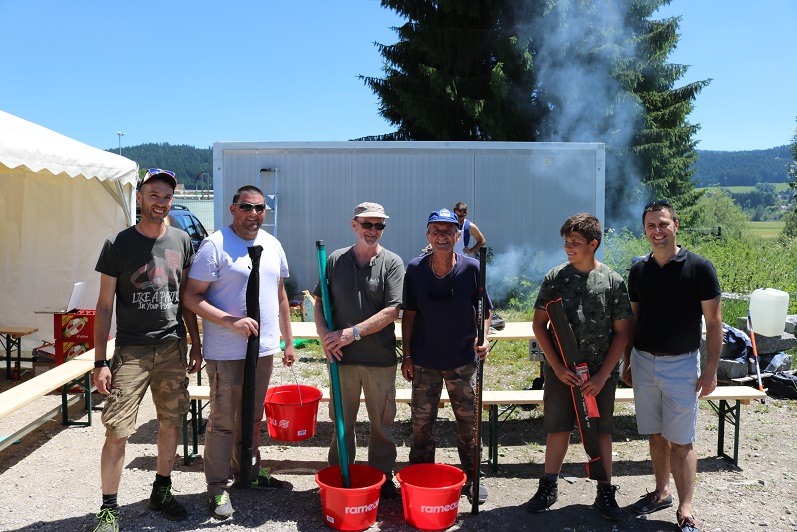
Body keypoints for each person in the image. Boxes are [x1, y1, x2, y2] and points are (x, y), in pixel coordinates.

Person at [92, 168, 202, 532]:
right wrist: (100, 361)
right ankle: (109, 508)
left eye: (167, 197)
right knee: (117, 429)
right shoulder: (117, 244)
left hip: (172, 346)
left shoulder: (182, 241)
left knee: (171, 421)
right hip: (131, 351)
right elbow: (104, 305)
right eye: (154, 195)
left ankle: (162, 490)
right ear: (140, 198)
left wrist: (195, 343)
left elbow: (187, 298)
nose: (161, 202)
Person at [183, 185, 295, 520]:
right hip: (227, 351)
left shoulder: (272, 244)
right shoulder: (215, 245)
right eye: (246, 207)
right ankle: (217, 487)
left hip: (263, 350)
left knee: (252, 416)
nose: (253, 214)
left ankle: (248, 471)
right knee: (223, 422)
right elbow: (191, 296)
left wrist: (288, 341)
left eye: (259, 208)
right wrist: (230, 321)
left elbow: (280, 295)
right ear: (233, 209)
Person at [622, 200, 722, 532]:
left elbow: (715, 322)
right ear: (644, 229)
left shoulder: (699, 268)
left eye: (663, 223)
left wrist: (710, 370)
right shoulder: (639, 270)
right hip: (643, 361)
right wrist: (627, 361)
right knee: (655, 433)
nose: (657, 231)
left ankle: (686, 508)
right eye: (651, 225)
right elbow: (633, 320)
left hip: (681, 365)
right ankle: (661, 492)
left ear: (676, 225)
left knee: (681, 440)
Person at [526, 213, 633, 520]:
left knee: (601, 431)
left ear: (593, 244)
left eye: (575, 242)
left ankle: (605, 491)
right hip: (562, 374)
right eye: (566, 242)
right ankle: (548, 485)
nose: (568, 247)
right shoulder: (555, 278)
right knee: (558, 428)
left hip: (599, 376)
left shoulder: (612, 281)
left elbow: (623, 332)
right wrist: (557, 367)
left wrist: (603, 375)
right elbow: (539, 325)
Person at [312, 201, 405, 499]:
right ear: (354, 225)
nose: (373, 230)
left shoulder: (392, 263)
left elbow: (392, 311)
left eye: (379, 225)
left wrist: (352, 333)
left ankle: (382, 477)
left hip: (380, 360)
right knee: (341, 422)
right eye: (367, 224)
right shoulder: (335, 260)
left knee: (382, 425)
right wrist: (325, 335)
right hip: (342, 360)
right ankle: (340, 474)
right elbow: (319, 302)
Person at [401, 208, 492, 504]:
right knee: (421, 426)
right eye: (436, 230)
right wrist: (407, 355)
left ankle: (473, 476)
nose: (442, 236)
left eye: (448, 231)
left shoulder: (472, 268)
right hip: (424, 362)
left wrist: (483, 336)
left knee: (469, 425)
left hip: (462, 361)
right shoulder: (415, 268)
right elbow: (409, 315)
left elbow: (485, 311)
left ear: (457, 236)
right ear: (427, 236)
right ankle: (420, 476)